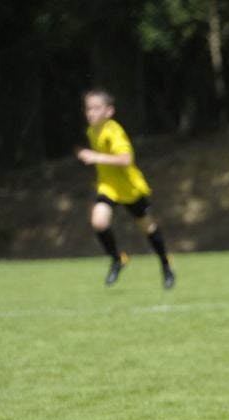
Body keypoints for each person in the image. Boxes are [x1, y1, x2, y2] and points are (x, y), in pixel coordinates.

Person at [77, 90, 175, 289]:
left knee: (147, 228)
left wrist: (96, 157)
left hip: (129, 187)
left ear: (109, 111)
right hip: (108, 187)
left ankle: (166, 265)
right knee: (99, 222)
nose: (91, 113)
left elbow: (126, 159)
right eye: (88, 108)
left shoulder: (114, 132)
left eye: (96, 108)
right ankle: (117, 259)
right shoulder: (92, 131)